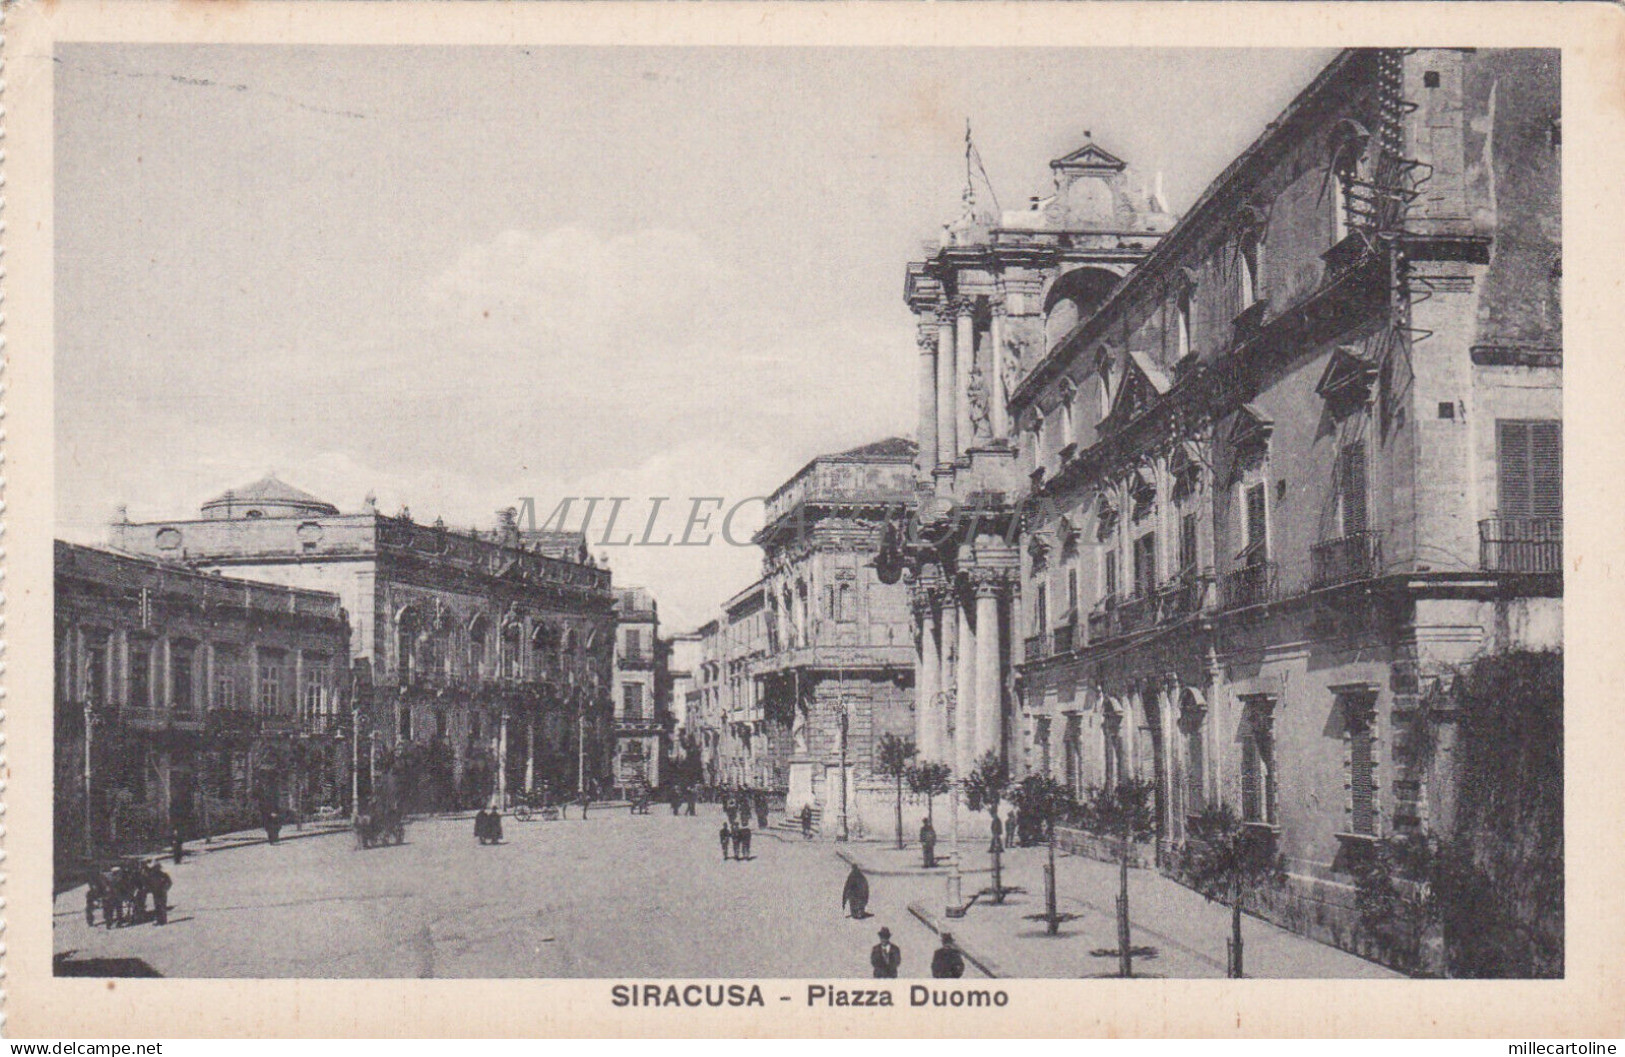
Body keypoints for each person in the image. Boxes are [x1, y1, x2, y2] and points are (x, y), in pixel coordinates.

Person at [146, 861, 172, 926]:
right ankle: (159, 920)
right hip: (155, 892)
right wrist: (150, 889)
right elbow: (148, 883)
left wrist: (165, 889)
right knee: (157, 906)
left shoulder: (163, 875)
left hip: (162, 892)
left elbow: (169, 883)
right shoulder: (151, 875)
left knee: (162, 905)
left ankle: (163, 920)